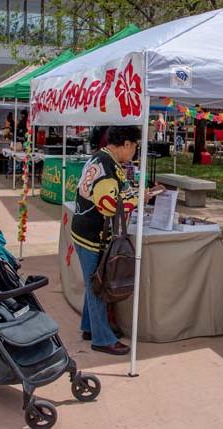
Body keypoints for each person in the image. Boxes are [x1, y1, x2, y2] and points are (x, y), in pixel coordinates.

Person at [71, 126, 163, 355]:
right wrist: (138, 199)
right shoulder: (107, 168)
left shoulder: (100, 158)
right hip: (93, 234)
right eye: (134, 147)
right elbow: (109, 205)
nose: (134, 153)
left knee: (95, 280)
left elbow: (113, 195)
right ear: (126, 144)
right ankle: (101, 339)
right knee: (98, 287)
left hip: (85, 230)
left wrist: (139, 194)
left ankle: (90, 327)